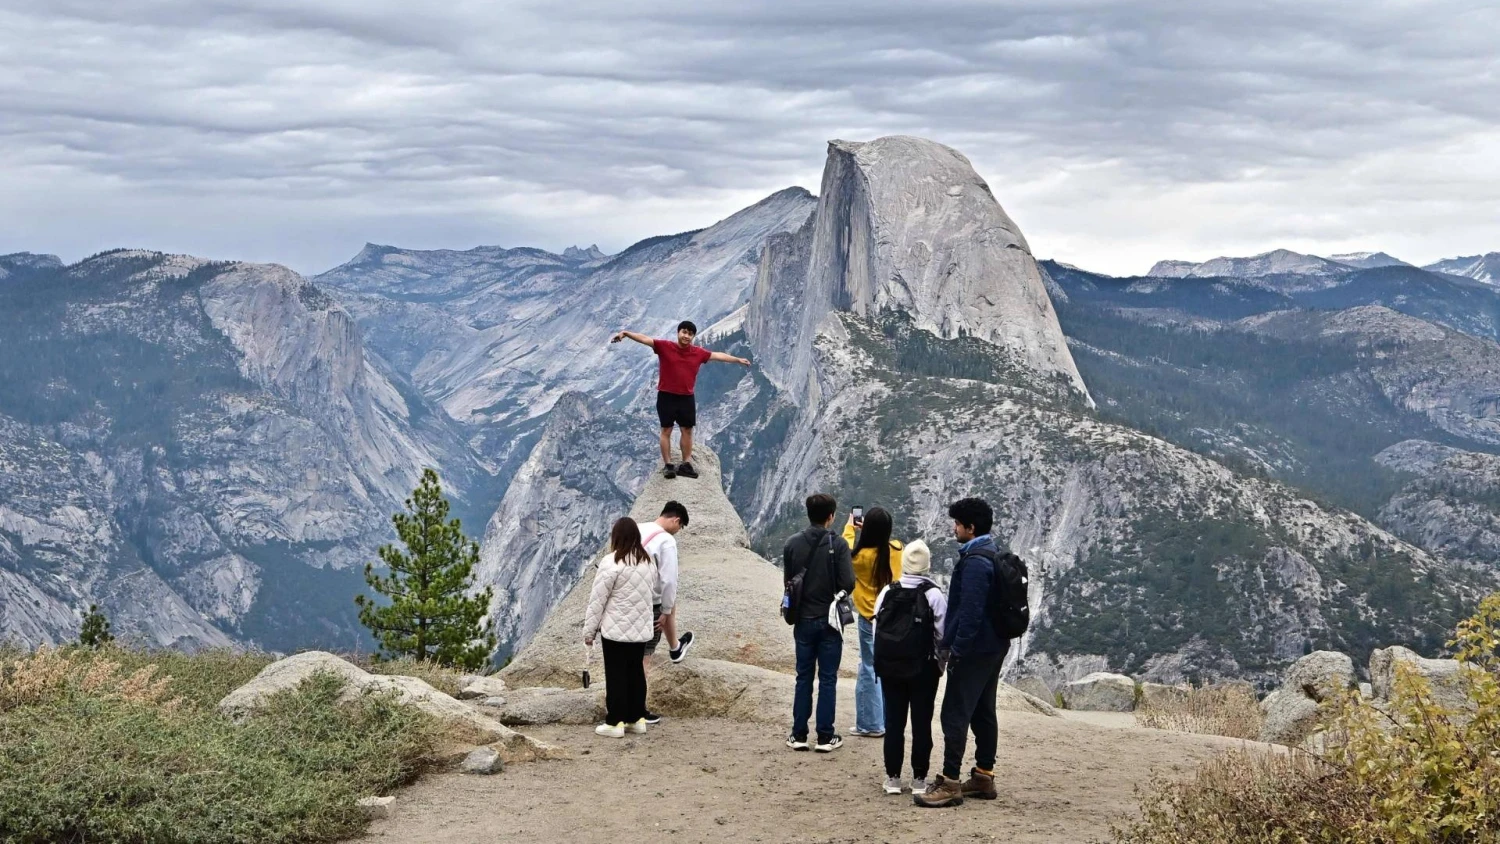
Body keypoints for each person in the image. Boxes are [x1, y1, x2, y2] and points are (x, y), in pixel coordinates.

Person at [916, 497, 1009, 808]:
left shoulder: (974, 564)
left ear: (970, 528)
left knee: (954, 712)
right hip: (994, 647)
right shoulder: (993, 554)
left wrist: (956, 651)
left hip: (973, 650)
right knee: (983, 711)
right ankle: (984, 775)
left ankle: (950, 781)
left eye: (957, 524)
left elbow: (969, 614)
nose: (953, 528)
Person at [611, 321, 751, 480]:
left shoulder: (698, 353)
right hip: (666, 396)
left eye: (690, 334)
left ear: (693, 336)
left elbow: (718, 355)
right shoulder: (665, 346)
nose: (686, 336)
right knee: (666, 430)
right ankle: (668, 465)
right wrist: (626, 333)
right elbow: (645, 339)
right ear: (678, 333)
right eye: (684, 332)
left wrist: (738, 359)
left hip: (686, 398)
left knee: (687, 430)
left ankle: (685, 464)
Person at [872, 539, 946, 796]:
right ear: (927, 565)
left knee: (894, 722)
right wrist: (939, 664)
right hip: (923, 669)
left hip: (891, 668)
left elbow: (876, 631)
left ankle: (892, 778)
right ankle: (919, 779)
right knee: (921, 723)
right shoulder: (933, 594)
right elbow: (941, 634)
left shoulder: (887, 592)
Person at [783, 493, 854, 753]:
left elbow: (789, 583)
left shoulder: (792, 544)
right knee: (827, 678)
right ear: (831, 516)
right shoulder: (839, 545)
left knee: (803, 677)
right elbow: (848, 583)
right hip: (830, 621)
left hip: (803, 619)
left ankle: (798, 734)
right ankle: (825, 736)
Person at [584, 518, 658, 738]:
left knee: (616, 675)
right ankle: (636, 719)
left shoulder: (611, 562)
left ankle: (615, 721)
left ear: (616, 537)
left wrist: (589, 632)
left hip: (615, 630)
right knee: (636, 673)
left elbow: (597, 600)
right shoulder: (648, 563)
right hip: (640, 630)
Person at [843, 507, 904, 737]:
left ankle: (871, 724)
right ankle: (889, 721)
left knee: (869, 668)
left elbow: (844, 549)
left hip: (869, 618)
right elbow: (888, 546)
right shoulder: (897, 549)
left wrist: (851, 527)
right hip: (893, 618)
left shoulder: (860, 558)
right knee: (889, 670)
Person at [638, 500, 696, 724]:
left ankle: (675, 648)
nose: (678, 532)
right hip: (649, 601)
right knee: (644, 657)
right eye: (680, 528)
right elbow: (669, 580)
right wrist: (666, 609)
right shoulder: (666, 540)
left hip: (626, 599)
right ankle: (639, 709)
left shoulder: (636, 529)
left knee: (626, 656)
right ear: (676, 520)